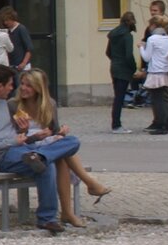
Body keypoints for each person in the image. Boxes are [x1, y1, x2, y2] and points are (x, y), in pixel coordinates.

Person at [0, 63, 78, 233]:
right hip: (3, 156)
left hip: (24, 150)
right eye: (10, 84)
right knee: (46, 165)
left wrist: (25, 132)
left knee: (72, 141)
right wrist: (13, 142)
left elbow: (18, 135)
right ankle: (47, 218)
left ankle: (40, 156)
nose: (13, 88)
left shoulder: (4, 105)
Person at [14, 68, 112, 227]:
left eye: (29, 86)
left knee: (70, 143)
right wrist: (31, 135)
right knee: (62, 155)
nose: (23, 88)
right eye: (22, 84)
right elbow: (15, 138)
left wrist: (59, 133)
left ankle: (68, 211)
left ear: (39, 88)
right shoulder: (14, 105)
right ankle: (87, 187)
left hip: (46, 146)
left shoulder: (49, 104)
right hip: (28, 150)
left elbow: (54, 129)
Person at [140, 23, 168, 134]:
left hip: (155, 72)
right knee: (166, 98)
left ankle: (161, 123)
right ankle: (167, 122)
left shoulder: (152, 39)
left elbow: (146, 57)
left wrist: (141, 47)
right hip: (167, 71)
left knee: (157, 99)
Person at [106, 11, 140, 133]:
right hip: (123, 70)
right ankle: (116, 125)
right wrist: (134, 68)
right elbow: (128, 55)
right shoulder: (127, 36)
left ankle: (115, 123)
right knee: (120, 98)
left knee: (117, 97)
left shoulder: (113, 34)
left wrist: (115, 60)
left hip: (114, 67)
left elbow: (108, 52)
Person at [2, 7, 33, 72]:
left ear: (12, 19)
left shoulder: (21, 29)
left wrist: (24, 63)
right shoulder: (7, 31)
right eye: (4, 21)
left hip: (22, 67)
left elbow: (29, 49)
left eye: (7, 20)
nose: (5, 23)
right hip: (12, 65)